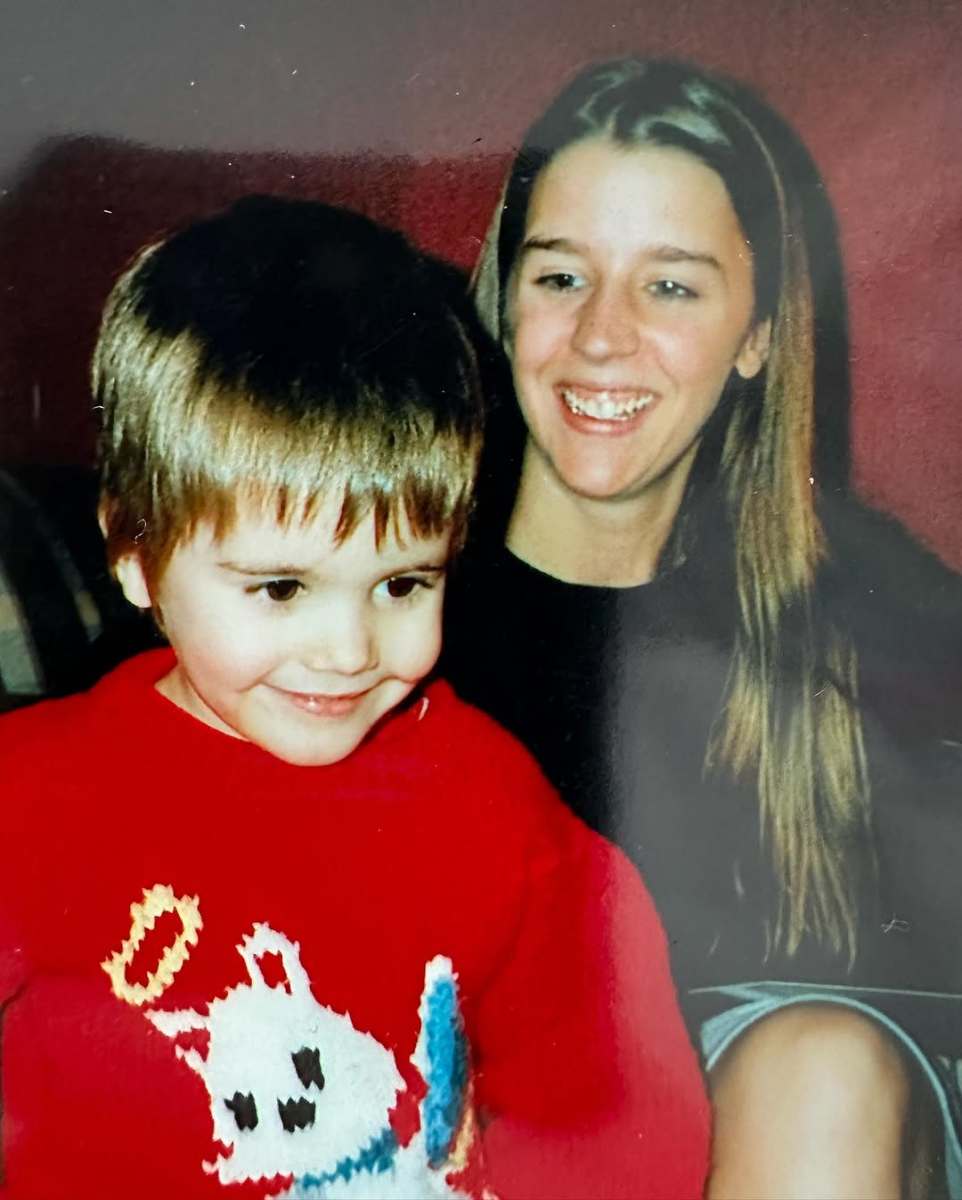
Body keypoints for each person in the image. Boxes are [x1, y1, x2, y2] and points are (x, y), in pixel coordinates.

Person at [0, 196, 709, 1199]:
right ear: (134, 553)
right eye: (280, 588)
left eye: (403, 584)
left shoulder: (486, 803)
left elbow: (614, 1101)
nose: (346, 649)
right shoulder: (33, 790)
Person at [442, 57, 962, 1198]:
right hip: (480, 1133)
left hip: (810, 1122)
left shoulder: (868, 603)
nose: (599, 339)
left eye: (668, 288)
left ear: (755, 337)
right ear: (504, 297)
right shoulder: (378, 613)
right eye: (561, 276)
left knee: (820, 1071)